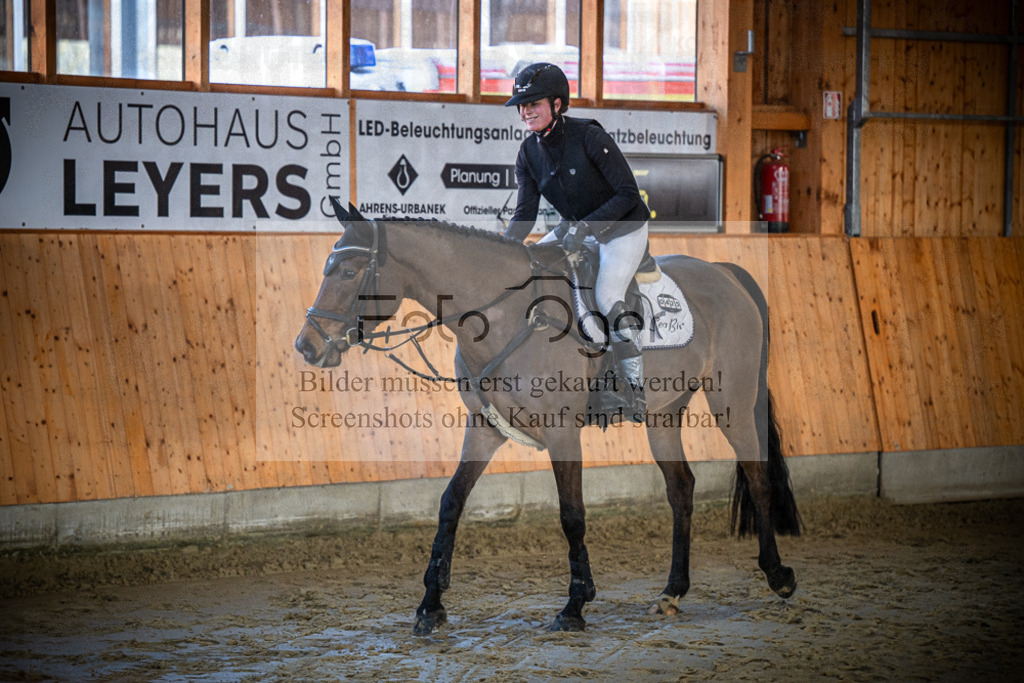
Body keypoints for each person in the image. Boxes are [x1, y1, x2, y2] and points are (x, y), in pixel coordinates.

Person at [502, 62, 651, 418]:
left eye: (533, 103)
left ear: (556, 104)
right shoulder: (528, 153)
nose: (525, 111)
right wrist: (502, 249)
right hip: (577, 229)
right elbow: (525, 214)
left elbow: (628, 194)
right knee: (534, 265)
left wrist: (586, 228)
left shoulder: (588, 136)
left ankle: (633, 389)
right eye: (521, 105)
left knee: (607, 293)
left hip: (622, 228)